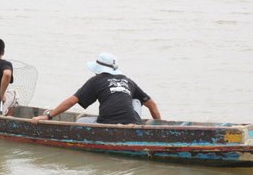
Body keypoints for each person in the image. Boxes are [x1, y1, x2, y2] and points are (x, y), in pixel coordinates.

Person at [32, 52, 161, 124]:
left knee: (81, 121)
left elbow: (72, 101)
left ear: (98, 70)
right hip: (133, 122)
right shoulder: (128, 81)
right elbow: (152, 105)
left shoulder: (96, 81)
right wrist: (158, 125)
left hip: (108, 123)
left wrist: (49, 116)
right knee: (137, 101)